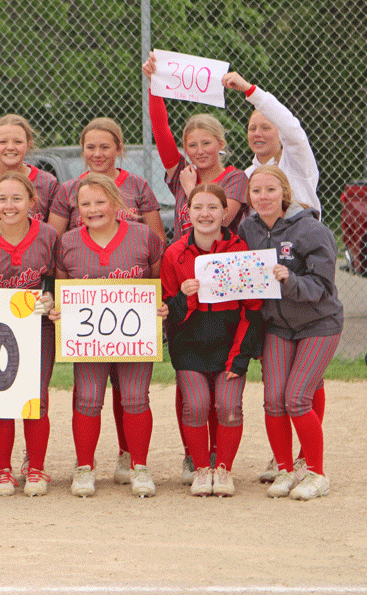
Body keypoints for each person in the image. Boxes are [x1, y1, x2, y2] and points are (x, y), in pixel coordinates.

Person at [62, 117, 166, 485]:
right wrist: (60, 310)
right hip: (89, 336)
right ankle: (84, 468)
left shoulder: (142, 237)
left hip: (133, 332)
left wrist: (159, 304)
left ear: (116, 202)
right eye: (85, 204)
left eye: (100, 202)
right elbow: (62, 285)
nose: (93, 209)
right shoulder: (69, 242)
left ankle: (138, 466)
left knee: (136, 398)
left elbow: (157, 275)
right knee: (88, 398)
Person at [0, 114, 69, 479]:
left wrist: (52, 300)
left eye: (17, 198)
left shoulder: (48, 236)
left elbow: (59, 278)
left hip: (35, 324)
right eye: (2, 199)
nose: (9, 205)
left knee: (36, 398)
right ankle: (2, 466)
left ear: (32, 200)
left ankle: (37, 467)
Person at [239, 166, 343, 500]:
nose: (263, 197)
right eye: (256, 191)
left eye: (270, 190)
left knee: (297, 398)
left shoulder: (310, 230)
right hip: (277, 325)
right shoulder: (248, 229)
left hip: (317, 322)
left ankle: (316, 472)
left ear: (284, 193)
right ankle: (285, 469)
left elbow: (322, 287)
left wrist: (289, 279)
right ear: (249, 197)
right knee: (273, 401)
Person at [160, 183, 263, 497]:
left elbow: (253, 308)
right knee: (196, 405)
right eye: (198, 208)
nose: (205, 214)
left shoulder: (240, 250)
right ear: (187, 213)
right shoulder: (175, 253)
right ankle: (202, 469)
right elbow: (167, 311)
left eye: (213, 207)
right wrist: (182, 296)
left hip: (229, 344)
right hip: (190, 345)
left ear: (225, 213)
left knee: (229, 406)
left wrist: (240, 354)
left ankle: (224, 470)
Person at [142, 53, 248, 239]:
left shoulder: (235, 178)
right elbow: (160, 129)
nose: (200, 151)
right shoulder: (183, 173)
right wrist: (154, 84)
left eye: (206, 143)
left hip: (217, 262)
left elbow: (219, 221)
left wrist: (190, 189)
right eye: (192, 145)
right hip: (182, 261)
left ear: (220, 143)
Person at [222, 71, 321, 215]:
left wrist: (249, 89)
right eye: (252, 128)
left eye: (265, 128)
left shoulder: (297, 163)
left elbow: (291, 128)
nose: (257, 134)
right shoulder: (246, 176)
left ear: (281, 134)